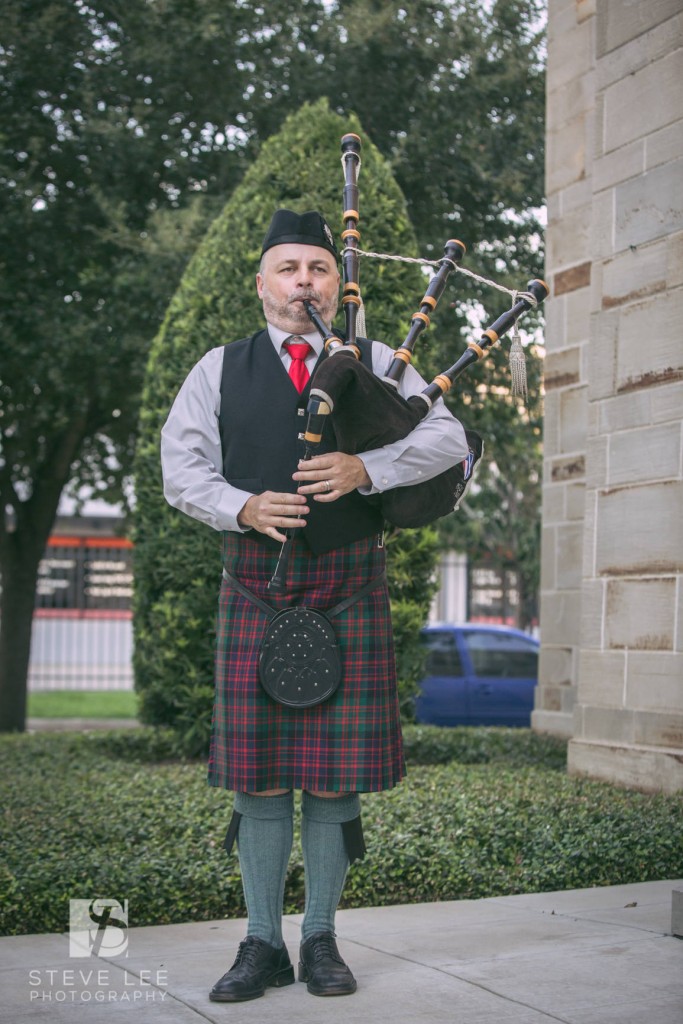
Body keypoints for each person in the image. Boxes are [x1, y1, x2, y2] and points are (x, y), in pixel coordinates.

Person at [160, 209, 469, 1002]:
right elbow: (182, 468)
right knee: (258, 780)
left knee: (334, 783)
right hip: (253, 587)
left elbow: (447, 441)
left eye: (318, 268)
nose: (304, 280)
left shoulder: (373, 362)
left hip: (348, 580)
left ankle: (323, 940)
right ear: (261, 283)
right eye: (288, 268)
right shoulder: (218, 368)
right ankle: (262, 943)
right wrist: (241, 508)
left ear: (337, 283)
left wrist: (368, 468)